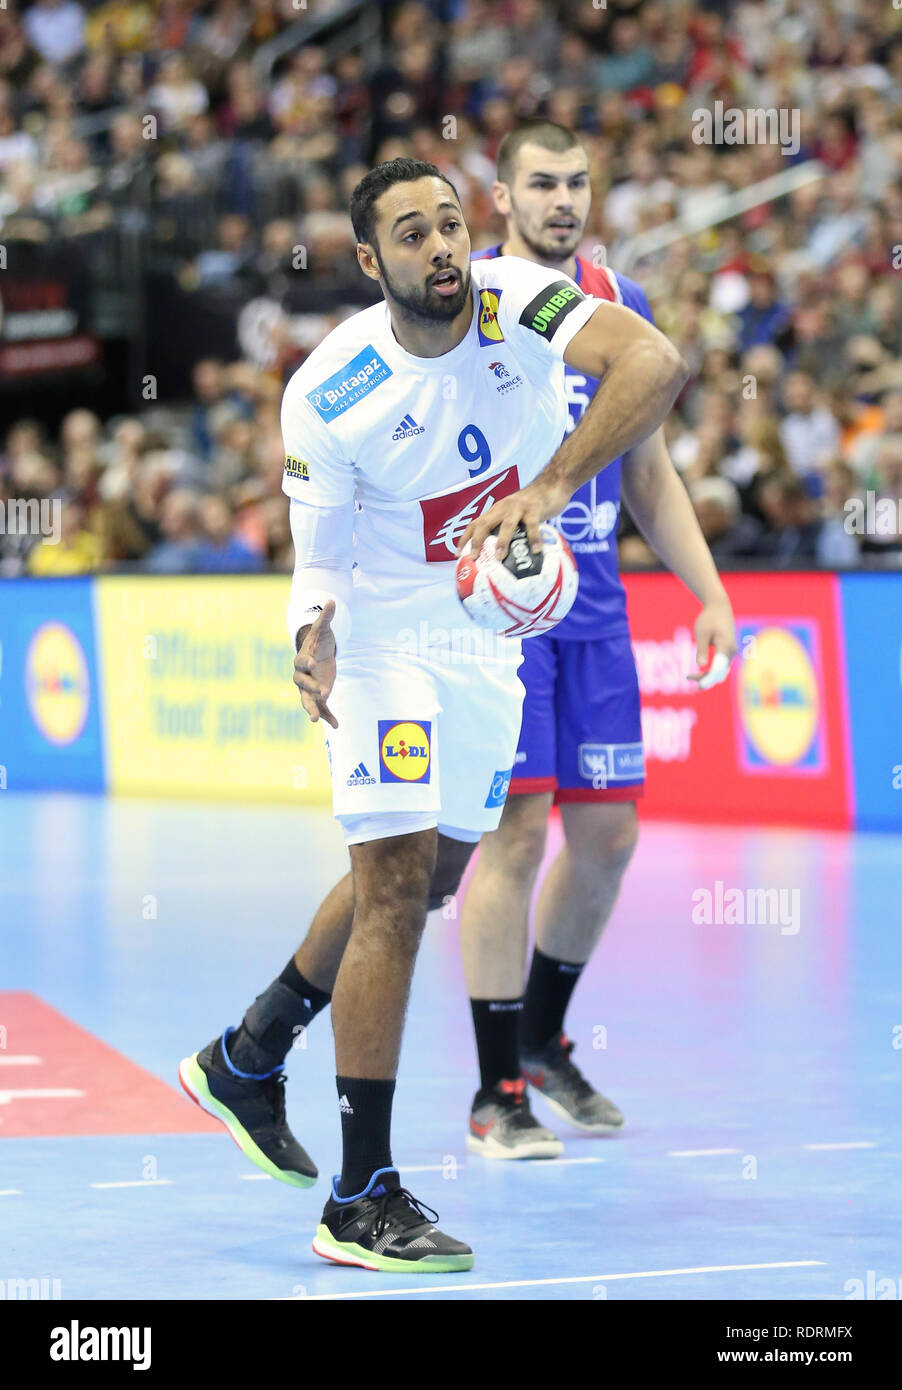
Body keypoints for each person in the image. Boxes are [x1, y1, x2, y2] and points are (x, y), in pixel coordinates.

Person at [179, 156, 687, 1272]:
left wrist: (548, 488)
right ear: (370, 261)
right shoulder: (329, 386)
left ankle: (247, 1052)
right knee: (399, 883)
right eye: (411, 233)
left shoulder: (517, 299)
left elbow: (652, 362)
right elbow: (316, 567)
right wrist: (307, 640)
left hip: (483, 634)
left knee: (435, 872)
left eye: (451, 224)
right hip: (380, 634)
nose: (442, 247)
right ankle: (360, 1195)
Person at [460, 122, 738, 1158]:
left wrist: (704, 589)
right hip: (500, 610)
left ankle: (539, 1038)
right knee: (516, 833)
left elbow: (651, 472)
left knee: (609, 837)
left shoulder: (622, 309)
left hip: (597, 603)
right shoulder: (472, 297)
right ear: (502, 195)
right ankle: (495, 1093)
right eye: (541, 182)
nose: (562, 198)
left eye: (577, 181)